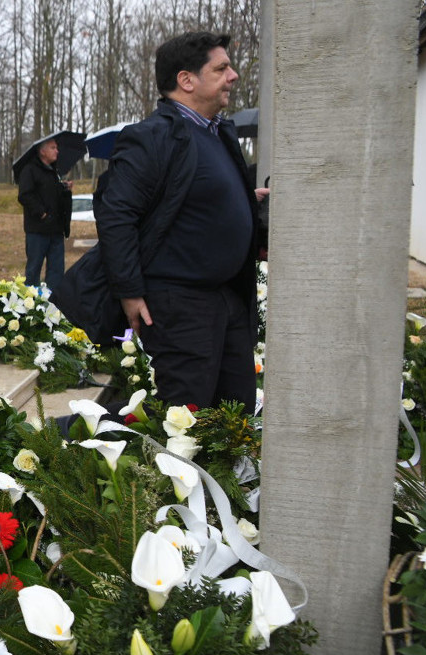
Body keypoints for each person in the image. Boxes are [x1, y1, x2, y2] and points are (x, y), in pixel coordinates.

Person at [97, 31, 267, 410]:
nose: (234, 75)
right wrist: (130, 291)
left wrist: (244, 203)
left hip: (228, 298)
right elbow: (117, 215)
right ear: (186, 80)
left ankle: (223, 473)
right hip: (181, 305)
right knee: (188, 420)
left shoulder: (219, 132)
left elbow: (194, 195)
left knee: (234, 413)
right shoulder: (153, 136)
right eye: (221, 68)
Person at [17, 139, 72, 292]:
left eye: (57, 147)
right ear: (42, 151)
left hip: (56, 230)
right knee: (34, 269)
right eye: (53, 147)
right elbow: (25, 195)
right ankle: (31, 304)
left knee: (57, 270)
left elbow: (54, 196)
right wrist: (42, 213)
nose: (57, 151)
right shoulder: (30, 170)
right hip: (37, 230)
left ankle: (53, 302)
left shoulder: (55, 172)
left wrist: (65, 188)